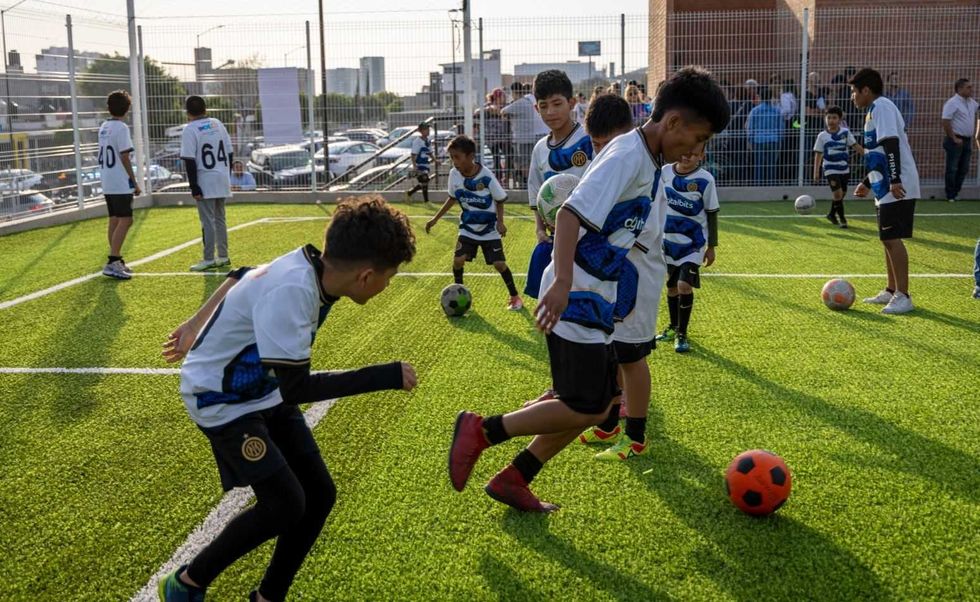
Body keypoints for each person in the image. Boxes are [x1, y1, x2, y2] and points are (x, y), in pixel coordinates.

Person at [447, 66, 730, 512]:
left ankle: (515, 477)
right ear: (675, 122)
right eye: (699, 137)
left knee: (598, 406)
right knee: (586, 405)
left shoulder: (648, 159)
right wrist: (560, 283)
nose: (698, 149)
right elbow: (569, 215)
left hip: (596, 296)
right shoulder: (628, 156)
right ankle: (481, 431)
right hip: (575, 294)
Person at [158, 197, 417, 602]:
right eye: (390, 276)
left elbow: (241, 274)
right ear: (366, 276)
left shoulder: (310, 268)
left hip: (264, 392)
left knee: (319, 495)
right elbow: (298, 389)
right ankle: (186, 583)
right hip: (221, 400)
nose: (388, 285)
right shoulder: (293, 290)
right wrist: (381, 376)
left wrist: (195, 324)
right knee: (284, 504)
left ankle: (268, 596)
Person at [574, 93, 668, 460]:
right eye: (594, 146)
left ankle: (636, 436)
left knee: (631, 355)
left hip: (637, 271)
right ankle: (609, 424)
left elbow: (624, 224)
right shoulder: (622, 160)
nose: (599, 153)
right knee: (613, 352)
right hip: (618, 269)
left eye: (603, 144)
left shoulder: (637, 163)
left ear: (626, 135)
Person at [425, 135, 523, 311]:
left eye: (457, 157)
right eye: (451, 157)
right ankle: (459, 292)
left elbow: (500, 199)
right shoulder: (454, 174)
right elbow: (452, 198)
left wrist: (501, 222)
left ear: (470, 157)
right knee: (458, 260)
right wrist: (435, 218)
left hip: (489, 229)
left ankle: (515, 296)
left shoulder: (486, 176)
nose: (454, 161)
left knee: (499, 264)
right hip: (468, 228)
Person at [850, 68, 920, 315]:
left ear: (866, 90)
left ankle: (904, 296)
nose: (852, 97)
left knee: (891, 237)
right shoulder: (873, 111)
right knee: (886, 239)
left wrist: (895, 180)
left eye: (854, 92)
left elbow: (891, 143)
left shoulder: (882, 107)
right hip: (885, 184)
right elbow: (877, 154)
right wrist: (868, 182)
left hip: (897, 185)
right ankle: (891, 290)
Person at [525, 69, 593, 300]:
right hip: (556, 239)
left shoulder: (589, 140)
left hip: (591, 237)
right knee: (551, 303)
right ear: (536, 109)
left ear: (572, 103)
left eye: (557, 104)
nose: (550, 112)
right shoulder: (540, 149)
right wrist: (539, 228)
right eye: (543, 106)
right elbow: (536, 193)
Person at [654, 144, 719, 353]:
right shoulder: (664, 173)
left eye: (694, 152)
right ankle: (673, 328)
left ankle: (682, 334)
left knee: (684, 285)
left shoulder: (705, 180)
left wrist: (712, 246)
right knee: (671, 287)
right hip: (668, 243)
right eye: (684, 149)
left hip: (693, 245)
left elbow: (711, 213)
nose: (687, 155)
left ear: (702, 155)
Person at [181, 95, 233, 272]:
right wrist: (227, 174)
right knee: (220, 218)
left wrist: (194, 186)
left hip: (205, 179)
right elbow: (230, 152)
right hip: (222, 176)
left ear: (187, 113)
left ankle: (209, 258)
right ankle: (224, 256)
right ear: (205, 109)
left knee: (207, 221)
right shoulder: (217, 123)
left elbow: (189, 160)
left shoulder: (190, 129)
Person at [98, 89, 141, 280]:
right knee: (126, 220)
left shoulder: (104, 126)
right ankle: (112, 260)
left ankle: (116, 259)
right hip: (119, 180)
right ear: (127, 109)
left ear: (109, 108)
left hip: (107, 179)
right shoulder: (121, 128)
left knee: (115, 219)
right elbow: (124, 156)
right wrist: (134, 181)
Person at [812, 106, 863, 228]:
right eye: (828, 117)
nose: (831, 120)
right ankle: (842, 220)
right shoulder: (822, 136)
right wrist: (816, 172)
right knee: (838, 194)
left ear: (840, 119)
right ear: (825, 119)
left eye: (834, 118)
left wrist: (869, 155)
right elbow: (818, 154)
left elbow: (855, 146)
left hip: (844, 168)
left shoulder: (845, 133)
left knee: (842, 194)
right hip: (830, 168)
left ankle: (831, 214)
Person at [941, 79, 979, 203]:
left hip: (967, 140)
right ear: (960, 89)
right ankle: (950, 194)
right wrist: (953, 138)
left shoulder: (971, 102)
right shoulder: (952, 103)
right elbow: (946, 121)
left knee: (964, 168)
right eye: (968, 87)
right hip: (955, 140)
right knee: (952, 168)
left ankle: (956, 192)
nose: (971, 89)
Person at [500, 82, 537, 187]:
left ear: (514, 92)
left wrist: (507, 115)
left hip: (521, 138)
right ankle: (522, 182)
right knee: (522, 161)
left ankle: (524, 183)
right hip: (526, 137)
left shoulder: (519, 103)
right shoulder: (527, 101)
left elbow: (503, 111)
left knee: (523, 162)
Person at [746, 86, 783, 184]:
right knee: (772, 164)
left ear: (760, 97)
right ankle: (771, 184)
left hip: (758, 140)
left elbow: (750, 127)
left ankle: (758, 185)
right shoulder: (776, 111)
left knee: (759, 164)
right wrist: (780, 140)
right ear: (771, 97)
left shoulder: (755, 111)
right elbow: (781, 128)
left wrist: (750, 140)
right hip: (773, 139)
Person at [405, 122, 434, 202]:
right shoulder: (417, 141)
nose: (428, 131)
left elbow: (430, 152)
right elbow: (413, 154)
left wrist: (435, 160)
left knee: (424, 182)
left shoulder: (428, 140)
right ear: (420, 131)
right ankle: (426, 201)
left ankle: (409, 193)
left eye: (428, 129)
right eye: (425, 129)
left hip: (425, 165)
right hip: (419, 165)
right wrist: (415, 166)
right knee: (425, 180)